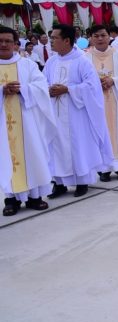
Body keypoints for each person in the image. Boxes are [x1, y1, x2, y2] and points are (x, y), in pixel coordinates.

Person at [44, 24, 113, 198]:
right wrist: (47, 89)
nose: (51, 41)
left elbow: (92, 86)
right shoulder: (51, 61)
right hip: (55, 113)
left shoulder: (82, 60)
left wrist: (68, 90)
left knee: (78, 145)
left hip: (76, 113)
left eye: (54, 38)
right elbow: (41, 82)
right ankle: (59, 183)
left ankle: (82, 181)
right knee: (56, 146)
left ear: (67, 40)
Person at [1, 26, 55, 216]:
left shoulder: (27, 65)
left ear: (16, 44)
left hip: (27, 122)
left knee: (32, 156)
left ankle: (35, 196)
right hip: (2, 126)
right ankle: (10, 199)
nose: (4, 44)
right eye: (0, 41)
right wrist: (2, 91)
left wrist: (22, 89)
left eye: (8, 41)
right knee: (5, 158)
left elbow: (41, 87)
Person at [85, 25, 118, 182]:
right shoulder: (84, 59)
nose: (100, 39)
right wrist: (95, 83)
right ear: (91, 38)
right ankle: (104, 169)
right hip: (97, 104)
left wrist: (113, 80)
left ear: (109, 37)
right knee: (99, 133)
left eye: (103, 35)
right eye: (96, 36)